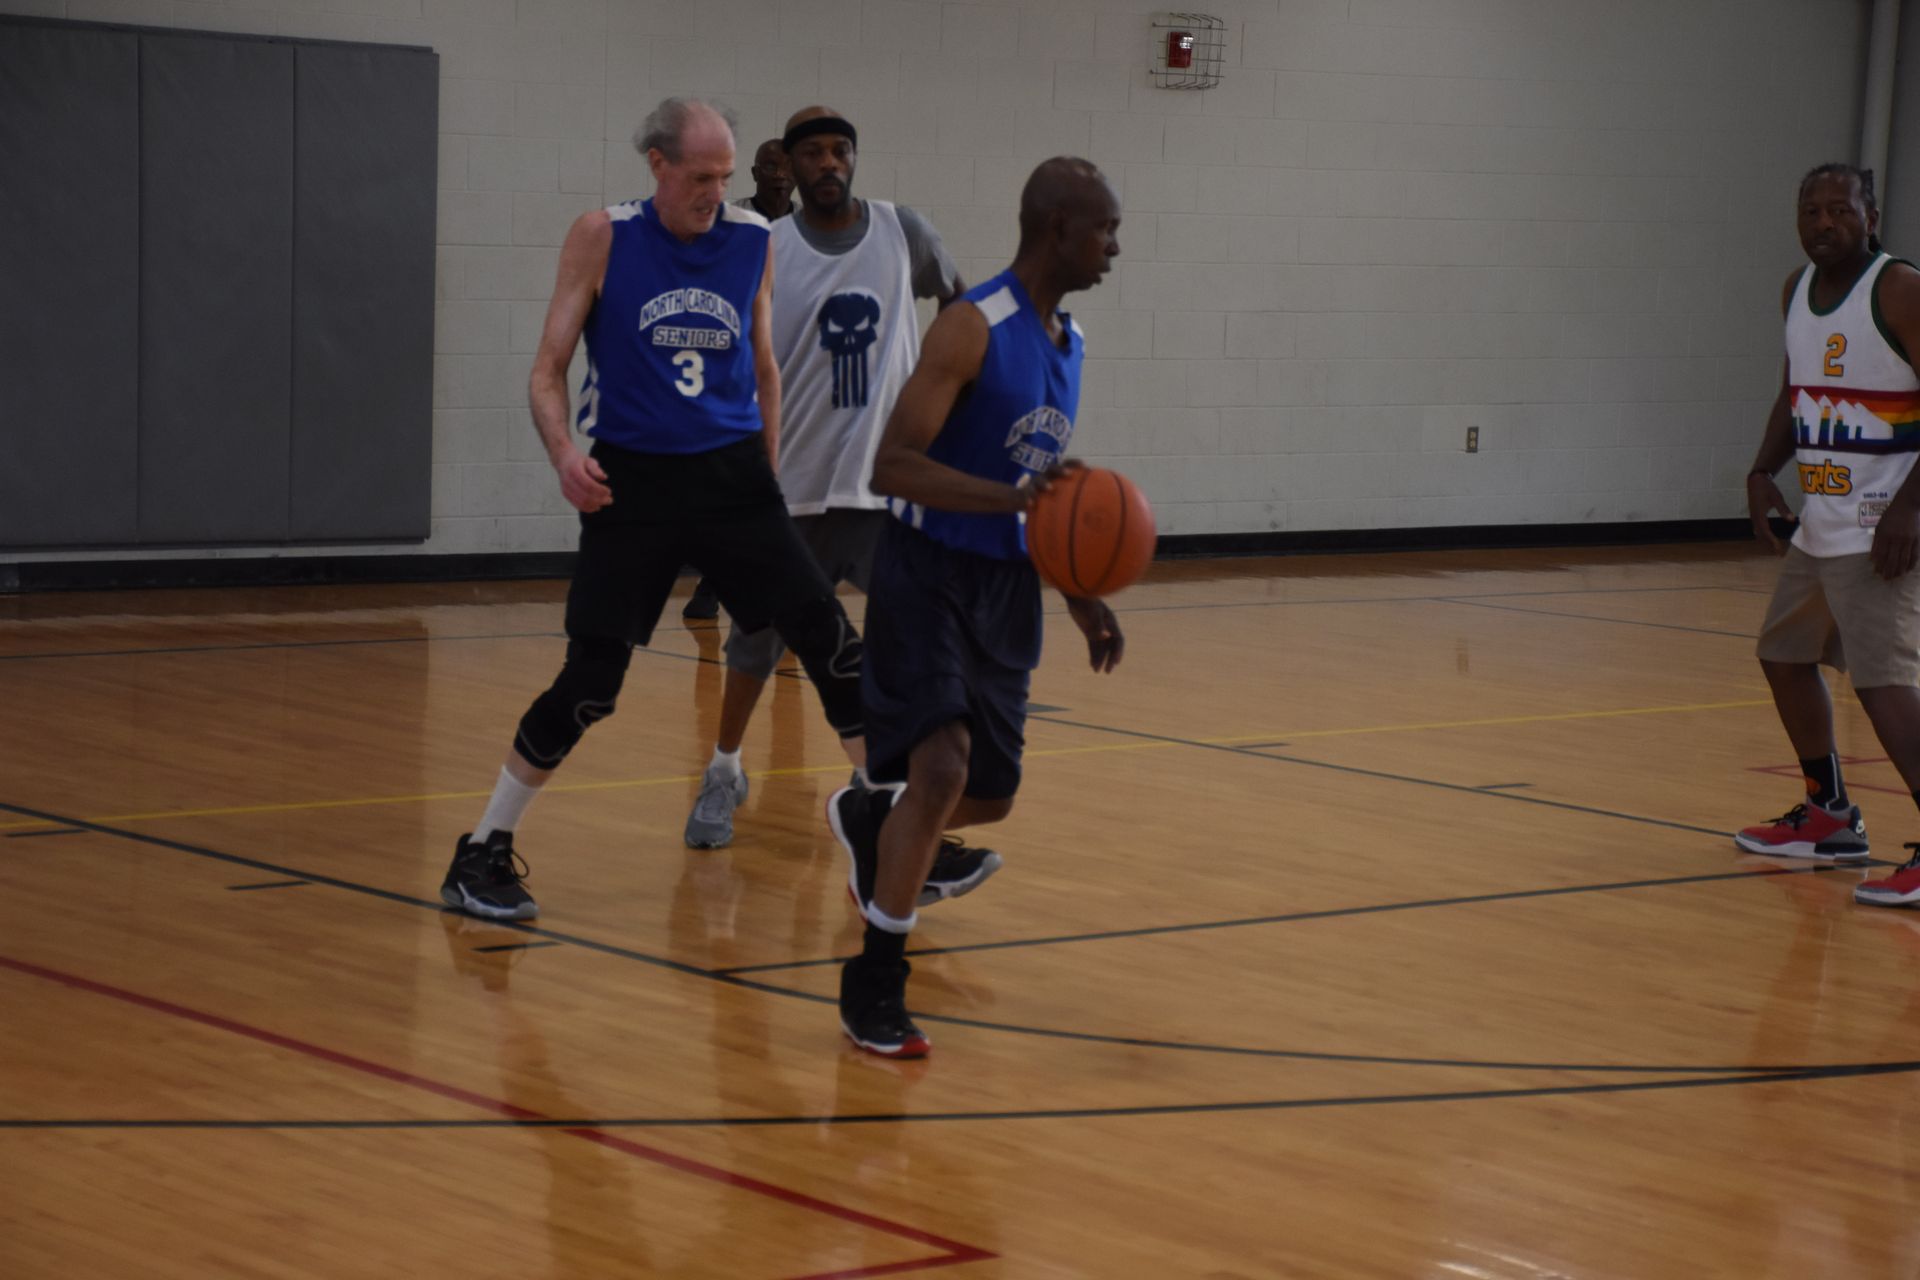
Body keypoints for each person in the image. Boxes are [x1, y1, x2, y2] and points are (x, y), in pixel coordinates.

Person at [439, 97, 869, 922]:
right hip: (630, 482)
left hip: (735, 478)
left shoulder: (751, 240)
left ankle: (886, 820)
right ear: (658, 166)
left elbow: (766, 367)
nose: (715, 191)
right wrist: (566, 455)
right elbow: (547, 370)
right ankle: (482, 851)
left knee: (830, 639)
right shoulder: (603, 234)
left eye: (724, 174)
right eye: (700, 175)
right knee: (592, 683)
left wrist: (767, 483)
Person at [828, 157, 1126, 1057]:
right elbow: (892, 466)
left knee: (988, 798)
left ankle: (875, 821)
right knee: (946, 768)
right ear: (1055, 228)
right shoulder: (971, 326)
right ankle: (876, 979)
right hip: (925, 570)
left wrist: (1083, 593)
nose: (1115, 247)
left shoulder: (1072, 344)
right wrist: (1013, 506)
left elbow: (1045, 489)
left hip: (1005, 588)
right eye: (1105, 229)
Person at [683, 104, 968, 856]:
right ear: (790, 163)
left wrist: (949, 393)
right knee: (752, 645)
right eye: (813, 153)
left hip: (884, 493)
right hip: (792, 488)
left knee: (920, 637)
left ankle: (900, 794)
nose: (829, 163)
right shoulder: (767, 247)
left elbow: (961, 303)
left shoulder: (904, 232)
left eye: (841, 150)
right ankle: (724, 769)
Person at [1737, 162, 1920, 909]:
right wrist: (1761, 468)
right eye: (1809, 211)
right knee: (1784, 656)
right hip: (1821, 522)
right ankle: (1830, 814)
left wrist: (1912, 510)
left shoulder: (1900, 289)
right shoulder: (1796, 290)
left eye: (1838, 209)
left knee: (1883, 686)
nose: (1822, 223)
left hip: (1884, 527)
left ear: (1868, 216)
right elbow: (1797, 390)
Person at [682, 139, 797, 624]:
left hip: (790, 361)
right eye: (768, 166)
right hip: (735, 362)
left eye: (785, 167)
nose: (777, 175)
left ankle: (781, 586)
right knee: (731, 480)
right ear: (753, 171)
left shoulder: (805, 228)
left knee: (783, 481)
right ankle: (712, 579)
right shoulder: (729, 221)